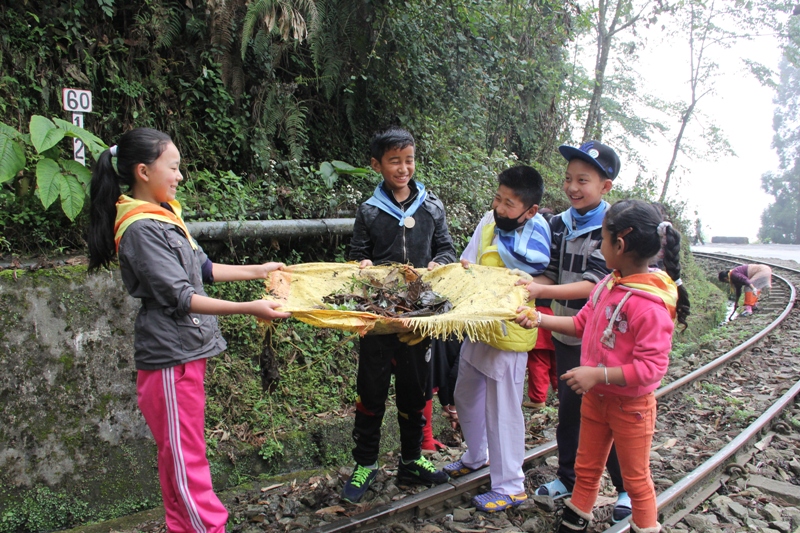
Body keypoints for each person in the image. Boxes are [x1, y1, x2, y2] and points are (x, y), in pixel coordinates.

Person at [87, 128, 291, 533]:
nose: (180, 176)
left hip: (183, 355)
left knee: (177, 456)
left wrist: (260, 271)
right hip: (170, 359)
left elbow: (203, 270)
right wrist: (250, 308)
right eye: (174, 167)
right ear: (143, 171)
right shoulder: (142, 228)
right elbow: (181, 296)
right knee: (186, 460)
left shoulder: (163, 215)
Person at [516, 199, 690, 533]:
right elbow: (581, 323)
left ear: (620, 244)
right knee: (586, 466)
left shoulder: (649, 305)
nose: (600, 246)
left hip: (632, 407)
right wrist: (539, 318)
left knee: (636, 479)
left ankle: (645, 527)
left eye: (603, 241)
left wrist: (598, 374)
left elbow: (652, 369)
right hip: (597, 399)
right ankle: (575, 519)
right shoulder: (608, 285)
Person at [343, 126, 457, 503]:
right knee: (371, 392)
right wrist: (361, 263)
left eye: (408, 159)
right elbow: (357, 254)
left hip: (418, 316)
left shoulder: (432, 206)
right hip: (377, 318)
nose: (403, 168)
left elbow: (446, 251)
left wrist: (434, 266)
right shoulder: (370, 210)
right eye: (394, 161)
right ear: (377, 165)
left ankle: (411, 460)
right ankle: (366, 464)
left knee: (414, 392)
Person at [519, 140, 630, 521]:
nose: (573, 187)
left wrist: (541, 290)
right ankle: (569, 478)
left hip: (604, 342)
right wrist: (521, 283)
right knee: (569, 410)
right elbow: (548, 271)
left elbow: (592, 284)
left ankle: (626, 490)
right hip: (568, 335)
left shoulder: (612, 228)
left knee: (608, 415)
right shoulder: (558, 224)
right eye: (568, 179)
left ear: (605, 187)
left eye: (583, 180)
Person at [442, 165, 551, 512]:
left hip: (509, 332)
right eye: (498, 199)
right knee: (465, 393)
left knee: (504, 409)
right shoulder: (489, 223)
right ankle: (476, 456)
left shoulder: (539, 235)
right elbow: (467, 261)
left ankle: (511, 485)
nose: (500, 209)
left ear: (530, 210)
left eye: (509, 204)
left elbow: (544, 277)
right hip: (478, 325)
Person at [524, 207, 557, 410]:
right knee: (554, 358)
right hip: (554, 314)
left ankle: (538, 398)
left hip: (539, 314)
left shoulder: (535, 252)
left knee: (538, 360)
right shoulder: (555, 252)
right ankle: (559, 390)